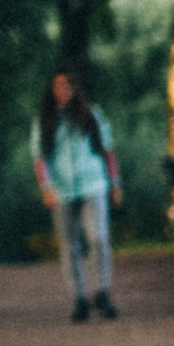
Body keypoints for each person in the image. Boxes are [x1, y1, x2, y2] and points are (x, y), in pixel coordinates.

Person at [34, 69, 123, 322]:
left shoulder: (92, 114)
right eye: (57, 85)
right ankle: (79, 298)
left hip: (93, 185)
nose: (63, 90)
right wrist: (47, 188)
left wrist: (115, 183)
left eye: (67, 85)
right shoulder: (45, 121)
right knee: (69, 245)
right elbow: (40, 158)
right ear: (51, 90)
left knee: (98, 238)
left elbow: (108, 150)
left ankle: (101, 291)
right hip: (62, 191)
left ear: (74, 88)